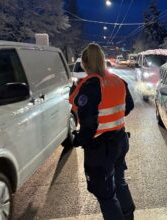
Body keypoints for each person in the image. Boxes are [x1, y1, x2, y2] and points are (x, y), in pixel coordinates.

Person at [69, 43, 135, 220]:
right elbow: (129, 105)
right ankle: (129, 216)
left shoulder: (90, 85)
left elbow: (89, 125)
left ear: (85, 63)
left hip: (101, 149)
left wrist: (77, 140)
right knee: (120, 183)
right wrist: (114, 118)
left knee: (106, 194)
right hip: (120, 140)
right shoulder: (117, 80)